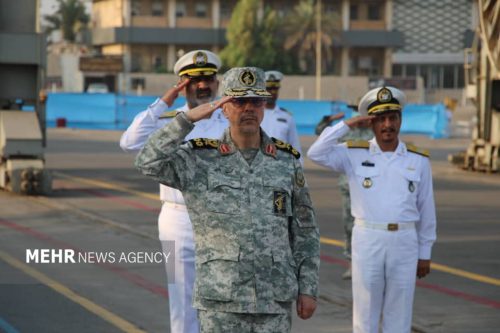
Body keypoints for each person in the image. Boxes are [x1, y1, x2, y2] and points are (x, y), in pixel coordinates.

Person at [135, 67, 320, 333]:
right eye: (238, 101)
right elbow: (146, 163)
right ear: (223, 107)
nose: (248, 108)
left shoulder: (286, 161)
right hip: (221, 301)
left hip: (273, 301)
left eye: (256, 101)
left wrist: (309, 288)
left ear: (264, 107)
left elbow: (305, 231)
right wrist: (185, 120)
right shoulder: (199, 158)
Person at [307, 86, 437, 333]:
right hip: (368, 239)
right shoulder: (354, 153)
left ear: (400, 120)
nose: (387, 125)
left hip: (405, 240)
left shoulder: (418, 159)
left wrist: (425, 251)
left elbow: (427, 208)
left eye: (393, 118)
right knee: (365, 313)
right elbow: (315, 152)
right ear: (371, 123)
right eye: (380, 119)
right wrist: (348, 125)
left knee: (399, 315)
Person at [120, 50, 228, 333]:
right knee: (183, 300)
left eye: (208, 80)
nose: (202, 86)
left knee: (224, 297)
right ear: (182, 85)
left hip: (222, 217)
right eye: (194, 81)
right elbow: (129, 142)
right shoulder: (167, 119)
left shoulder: (228, 121)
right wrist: (165, 100)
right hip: (178, 219)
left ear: (217, 83)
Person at [315, 110, 373, 280]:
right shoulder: (347, 132)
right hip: (348, 189)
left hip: (371, 189)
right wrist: (329, 119)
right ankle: (351, 263)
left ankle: (369, 263)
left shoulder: (374, 132)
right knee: (349, 227)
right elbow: (319, 132)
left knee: (371, 228)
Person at [262, 70, 302, 155]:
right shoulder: (254, 116)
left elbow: (295, 146)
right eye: (269, 89)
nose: (273, 92)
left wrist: (298, 166)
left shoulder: (287, 117)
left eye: (275, 89)